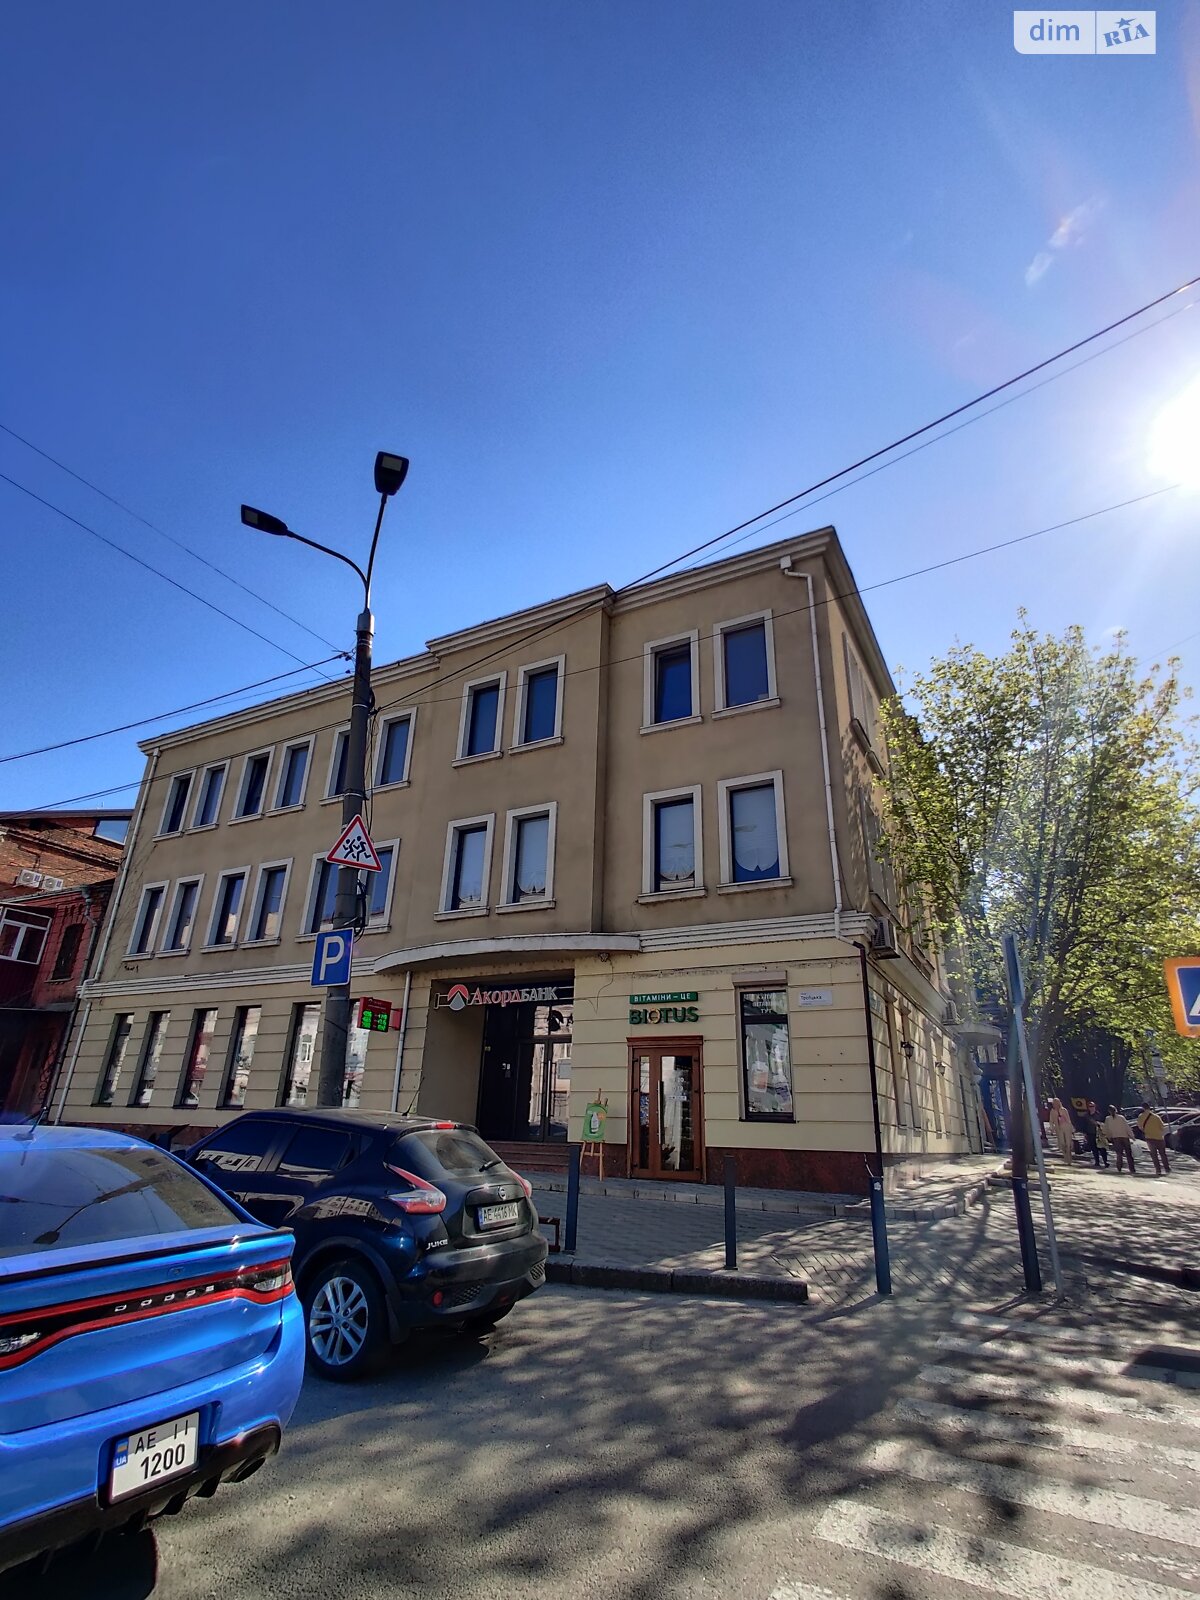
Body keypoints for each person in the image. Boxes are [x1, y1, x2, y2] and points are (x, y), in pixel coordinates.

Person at [1136, 1102, 1170, 1176]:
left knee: (1154, 1155)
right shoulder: (1156, 1117)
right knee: (1163, 1154)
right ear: (1149, 1107)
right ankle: (1167, 1168)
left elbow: (1140, 1127)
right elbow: (1162, 1127)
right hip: (1159, 1137)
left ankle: (1158, 1170)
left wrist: (1146, 1130)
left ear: (1142, 1108)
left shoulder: (1141, 1116)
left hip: (1149, 1138)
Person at [1104, 1105, 1136, 1174]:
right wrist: (1132, 1136)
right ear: (1116, 1110)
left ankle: (1119, 1167)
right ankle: (1132, 1169)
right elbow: (1127, 1127)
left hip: (1115, 1137)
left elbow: (1106, 1129)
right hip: (1124, 1137)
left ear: (1109, 1111)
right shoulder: (1121, 1117)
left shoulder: (1108, 1119)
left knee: (1119, 1154)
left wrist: (1109, 1136)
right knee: (1129, 1154)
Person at [1089, 1100, 1110, 1168]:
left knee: (1102, 1148)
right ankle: (1097, 1162)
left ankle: (1105, 1162)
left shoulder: (1098, 1115)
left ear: (1095, 1107)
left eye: (1092, 1106)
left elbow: (1103, 1124)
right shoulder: (1087, 1115)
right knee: (1094, 1148)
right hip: (1091, 1134)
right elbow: (1085, 1125)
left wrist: (1097, 1123)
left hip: (1099, 1134)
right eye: (1090, 1106)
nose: (1091, 1108)